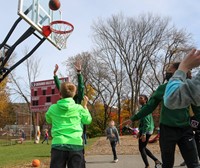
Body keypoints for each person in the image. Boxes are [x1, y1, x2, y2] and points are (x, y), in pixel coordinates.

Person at [130, 62, 200, 168]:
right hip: (167, 131)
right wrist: (134, 118)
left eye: (169, 70)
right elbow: (149, 106)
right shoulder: (163, 88)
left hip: (185, 130)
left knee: (194, 164)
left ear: (178, 72)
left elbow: (197, 108)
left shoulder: (187, 88)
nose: (166, 72)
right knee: (167, 164)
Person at [45, 81, 92, 168]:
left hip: (58, 144)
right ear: (74, 94)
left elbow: (48, 119)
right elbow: (88, 120)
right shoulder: (79, 108)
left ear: (60, 94)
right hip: (76, 145)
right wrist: (85, 107)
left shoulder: (52, 108)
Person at [53, 61, 87, 167]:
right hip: (72, 139)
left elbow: (81, 88)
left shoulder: (77, 102)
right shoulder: (74, 104)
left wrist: (79, 73)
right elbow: (61, 89)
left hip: (74, 135)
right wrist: (55, 76)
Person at [136, 94, 161, 168]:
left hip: (146, 130)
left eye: (141, 98)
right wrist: (140, 132)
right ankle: (156, 161)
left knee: (141, 148)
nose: (139, 99)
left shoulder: (145, 108)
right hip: (146, 130)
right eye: (139, 98)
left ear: (145, 100)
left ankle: (147, 165)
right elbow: (142, 122)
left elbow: (146, 123)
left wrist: (143, 134)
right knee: (143, 148)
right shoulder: (144, 108)